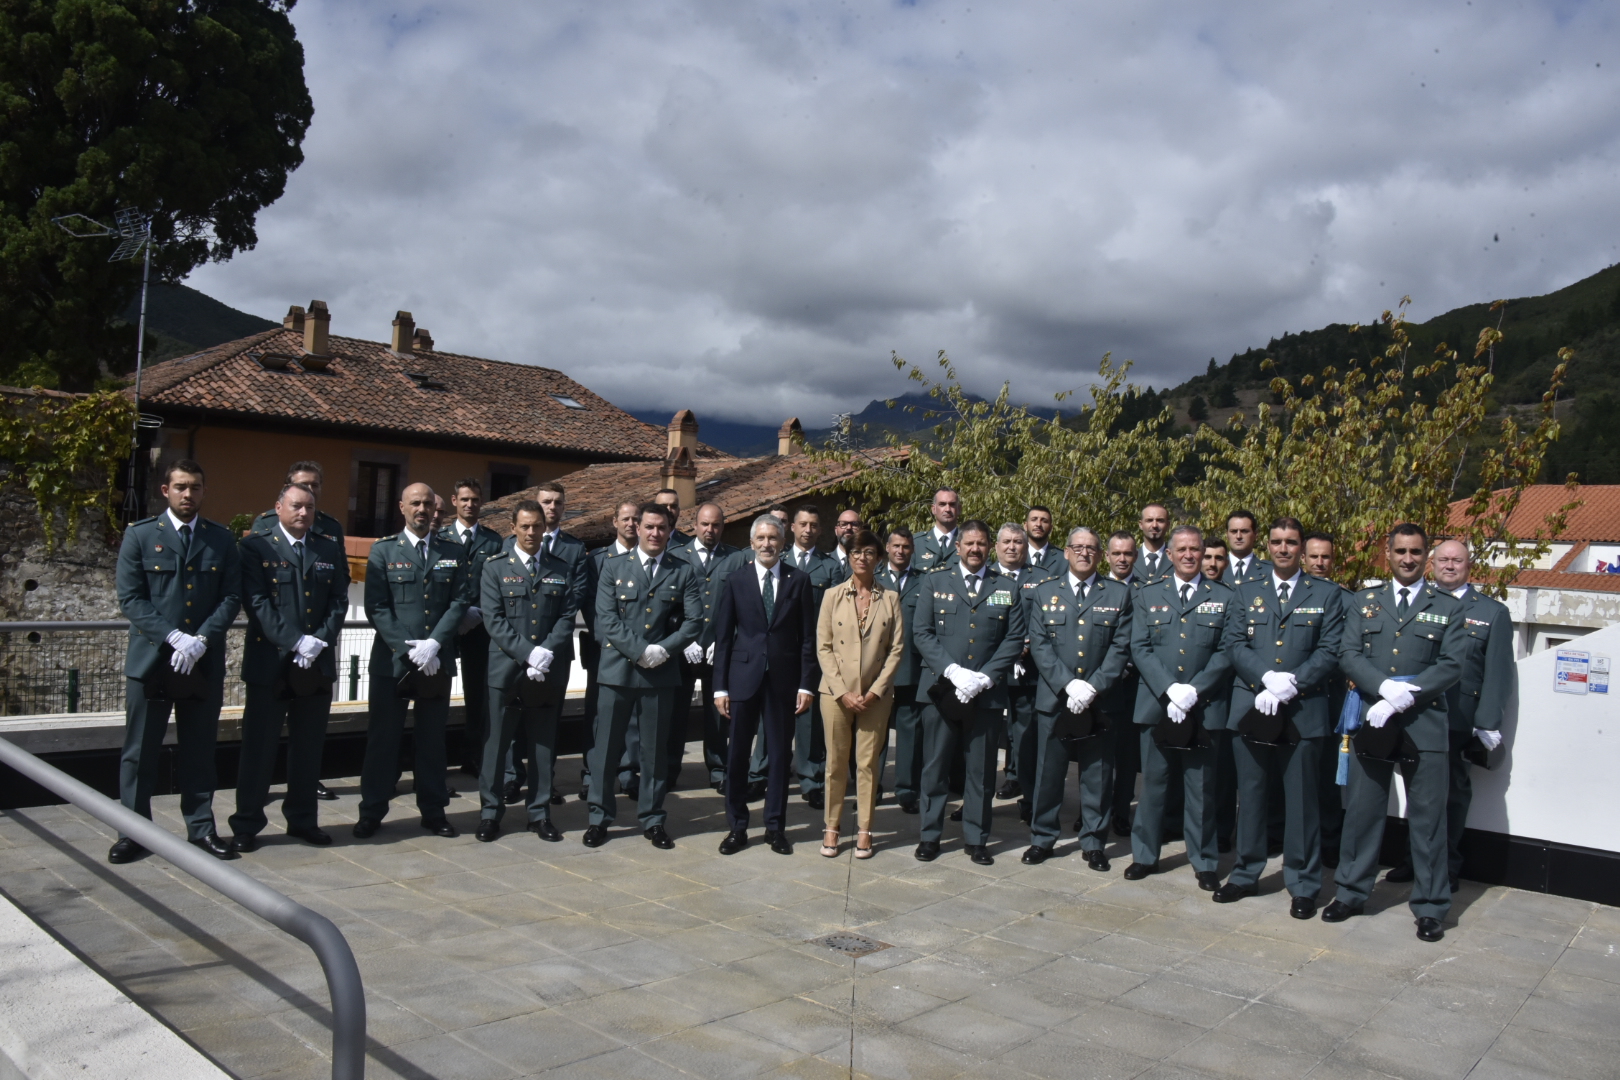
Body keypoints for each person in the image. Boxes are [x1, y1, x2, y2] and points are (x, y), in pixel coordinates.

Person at [1325, 523, 1467, 942]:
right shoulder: (1365, 601)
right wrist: (1382, 689)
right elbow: (1347, 653)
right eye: (1401, 551)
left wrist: (1406, 695)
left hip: (1424, 721)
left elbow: (1453, 663)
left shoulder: (1448, 605)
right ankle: (1350, 892)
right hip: (1374, 717)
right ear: (1387, 554)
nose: (1408, 558)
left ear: (1427, 557)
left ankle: (1430, 906)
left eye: (1416, 552)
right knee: (1364, 812)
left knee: (1427, 819)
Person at [111, 460, 243, 863]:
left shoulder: (221, 539)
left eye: (196, 487)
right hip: (152, 659)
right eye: (182, 487)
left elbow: (230, 597)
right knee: (140, 751)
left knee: (200, 750)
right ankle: (133, 831)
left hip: (201, 661)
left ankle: (201, 829)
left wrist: (201, 640)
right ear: (165, 490)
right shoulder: (140, 536)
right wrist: (172, 637)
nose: (189, 494)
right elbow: (131, 598)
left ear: (204, 492)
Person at [1213, 517, 1346, 918]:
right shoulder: (1246, 592)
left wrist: (1293, 684)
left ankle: (1304, 883)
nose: (1283, 548)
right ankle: (1245, 873)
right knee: (1250, 796)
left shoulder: (1326, 594)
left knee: (1301, 801)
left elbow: (1331, 648)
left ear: (1302, 548)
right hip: (1252, 705)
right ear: (1267, 546)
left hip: (1304, 709)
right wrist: (1266, 678)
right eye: (1276, 542)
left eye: (1291, 542)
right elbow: (1233, 643)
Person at [1383, 539, 1512, 892]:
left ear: (1469, 565)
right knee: (1417, 794)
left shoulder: (1491, 612)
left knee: (1453, 795)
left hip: (1457, 719)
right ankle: (1413, 860)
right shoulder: (1418, 603)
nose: (1449, 566)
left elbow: (1498, 673)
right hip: (1416, 715)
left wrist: (1487, 722)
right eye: (1443, 560)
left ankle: (1448, 865)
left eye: (1457, 561)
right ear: (1432, 563)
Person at [229, 481, 349, 851]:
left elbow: (338, 599)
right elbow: (258, 602)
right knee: (258, 748)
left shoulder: (328, 547)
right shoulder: (255, 547)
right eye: (296, 506)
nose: (303, 513)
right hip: (272, 662)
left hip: (315, 663)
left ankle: (302, 820)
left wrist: (319, 641)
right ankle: (247, 824)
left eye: (309, 508)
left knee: (308, 747)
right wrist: (296, 641)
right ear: (278, 507)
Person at [355, 483, 472, 838]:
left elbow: (460, 601)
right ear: (402, 508)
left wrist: (434, 644)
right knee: (382, 741)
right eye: (415, 504)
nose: (423, 510)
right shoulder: (383, 551)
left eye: (428, 505)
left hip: (436, 661)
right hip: (392, 663)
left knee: (432, 741)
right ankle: (372, 811)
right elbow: (376, 606)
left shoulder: (452, 551)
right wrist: (409, 650)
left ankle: (434, 811)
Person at [586, 503, 703, 849]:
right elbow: (605, 618)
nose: (655, 534)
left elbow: (695, 621)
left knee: (653, 752)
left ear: (670, 531)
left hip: (660, 675)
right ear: (637, 528)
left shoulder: (682, 571)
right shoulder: (612, 567)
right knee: (606, 749)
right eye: (649, 527)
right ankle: (598, 817)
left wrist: (664, 650)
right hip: (617, 672)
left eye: (662, 528)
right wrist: (641, 651)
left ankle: (652, 818)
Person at [912, 520, 1027, 865]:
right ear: (958, 547)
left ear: (988, 548)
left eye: (981, 544)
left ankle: (977, 838)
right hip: (942, 690)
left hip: (986, 695)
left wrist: (985, 678)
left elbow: (1013, 638)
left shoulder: (1006, 586)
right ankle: (930, 836)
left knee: (981, 770)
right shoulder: (934, 581)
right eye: (969, 544)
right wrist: (953, 671)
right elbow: (922, 632)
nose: (975, 549)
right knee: (935, 766)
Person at [1125, 525, 1234, 890]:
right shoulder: (1147, 594)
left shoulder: (1225, 596)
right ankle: (1144, 855)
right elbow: (1139, 647)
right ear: (1168, 555)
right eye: (1182, 549)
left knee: (1200, 788)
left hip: (1204, 707)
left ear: (1204, 554)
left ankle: (1203, 860)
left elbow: (1227, 650)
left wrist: (1194, 690)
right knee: (1154, 785)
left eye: (1195, 549)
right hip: (1157, 704)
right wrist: (1170, 689)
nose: (1189, 555)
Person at [1022, 527, 1134, 869]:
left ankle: (1094, 841)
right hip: (1056, 699)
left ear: (1100, 556)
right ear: (1067, 552)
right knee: (1049, 773)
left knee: (1097, 774)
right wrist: (1068, 685)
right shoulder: (1045, 592)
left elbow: (1120, 647)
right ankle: (1043, 837)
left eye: (1091, 549)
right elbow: (1039, 647)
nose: (1084, 553)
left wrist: (1092, 687)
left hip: (1100, 700)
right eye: (1078, 548)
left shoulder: (1117, 594)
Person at [713, 514, 817, 855]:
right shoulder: (736, 580)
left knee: (777, 757)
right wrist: (720, 688)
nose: (767, 544)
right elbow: (724, 637)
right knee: (738, 755)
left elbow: (807, 638)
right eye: (761, 538)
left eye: (773, 538)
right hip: (743, 679)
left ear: (782, 543)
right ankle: (737, 827)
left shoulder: (798, 580)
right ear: (752, 542)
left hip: (784, 682)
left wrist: (806, 685)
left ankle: (775, 827)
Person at [475, 499, 579, 843]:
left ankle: (539, 813)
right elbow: (493, 618)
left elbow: (567, 617)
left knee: (542, 745)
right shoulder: (494, 567)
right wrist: (528, 654)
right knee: (496, 744)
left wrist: (545, 653)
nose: (532, 532)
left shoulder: (560, 567)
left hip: (548, 668)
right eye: (526, 526)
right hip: (506, 670)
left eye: (537, 526)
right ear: (513, 527)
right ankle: (490, 813)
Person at [816, 528, 904, 857]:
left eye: (868, 552)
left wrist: (877, 690)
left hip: (875, 697)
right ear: (848, 557)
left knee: (867, 764)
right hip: (836, 695)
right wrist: (842, 691)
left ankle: (865, 829)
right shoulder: (832, 596)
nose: (862, 558)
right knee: (836, 763)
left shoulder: (891, 599)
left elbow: (896, 650)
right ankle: (832, 827)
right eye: (855, 552)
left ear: (879, 558)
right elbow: (823, 648)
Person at [577, 500, 641, 800]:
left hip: (637, 651)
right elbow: (591, 606)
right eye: (625, 519)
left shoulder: (648, 558)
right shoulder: (597, 560)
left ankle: (628, 771)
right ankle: (592, 772)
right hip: (604, 650)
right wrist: (612, 639)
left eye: (635, 519)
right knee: (599, 714)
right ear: (614, 522)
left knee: (632, 716)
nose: (631, 524)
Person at [441, 478, 503, 777]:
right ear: (454, 501)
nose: (470, 504)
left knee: (478, 696)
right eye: (464, 499)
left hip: (480, 628)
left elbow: (500, 584)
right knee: (435, 692)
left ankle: (473, 755)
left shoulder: (494, 541)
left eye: (475, 499)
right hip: (444, 628)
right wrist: (456, 614)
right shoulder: (441, 538)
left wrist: (477, 612)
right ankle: (432, 759)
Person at [781, 504, 839, 808]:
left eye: (814, 525)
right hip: (779, 650)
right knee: (772, 717)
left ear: (820, 529)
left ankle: (811, 778)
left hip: (813, 653)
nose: (808, 530)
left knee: (809, 720)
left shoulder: (830, 568)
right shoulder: (777, 561)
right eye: (802, 524)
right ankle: (762, 773)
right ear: (792, 527)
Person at [680, 502, 740, 792]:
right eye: (705, 524)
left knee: (718, 715)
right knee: (675, 713)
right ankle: (668, 769)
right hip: (683, 649)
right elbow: (669, 605)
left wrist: (726, 639)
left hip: (719, 649)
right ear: (694, 524)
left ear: (722, 527)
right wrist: (682, 639)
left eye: (715, 525)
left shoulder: (736, 558)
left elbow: (744, 605)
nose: (710, 530)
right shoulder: (677, 555)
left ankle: (718, 769)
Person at [1302, 532, 1350, 868]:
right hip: (1290, 694)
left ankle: (1330, 843)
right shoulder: (1288, 595)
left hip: (1330, 695)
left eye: (1326, 557)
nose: (1320, 563)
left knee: (1326, 775)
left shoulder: (1347, 600)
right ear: (1303, 558)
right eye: (1314, 557)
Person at [991, 523, 1045, 806]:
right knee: (987, 734)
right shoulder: (983, 577)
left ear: (1026, 547)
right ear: (997, 547)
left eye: (1018, 542)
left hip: (1028, 668)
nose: (1012, 547)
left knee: (1024, 733)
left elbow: (1047, 621)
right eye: (1007, 542)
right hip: (991, 670)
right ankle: (976, 797)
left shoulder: (1044, 579)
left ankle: (1025, 791)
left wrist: (1026, 646)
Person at [878, 527, 927, 815]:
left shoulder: (925, 582)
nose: (900, 551)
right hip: (877, 670)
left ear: (912, 550)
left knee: (910, 733)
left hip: (911, 668)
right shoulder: (873, 579)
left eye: (906, 547)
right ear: (887, 547)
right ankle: (870, 789)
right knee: (875, 733)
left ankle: (907, 791)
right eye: (896, 546)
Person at [1100, 530, 1143, 835]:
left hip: (1131, 685)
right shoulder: (1096, 588)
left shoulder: (1147, 591)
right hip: (1099, 686)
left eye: (1128, 554)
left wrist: (1125, 665)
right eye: (1117, 553)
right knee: (1097, 755)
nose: (1122, 559)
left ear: (1135, 557)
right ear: (1107, 556)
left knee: (1126, 756)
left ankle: (1121, 813)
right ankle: (1094, 812)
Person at [249, 460, 344, 544]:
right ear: (287, 488)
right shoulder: (266, 522)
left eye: (315, 485)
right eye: (303, 485)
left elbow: (340, 564)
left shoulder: (332, 526)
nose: (310, 490)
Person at [912, 488, 962, 572]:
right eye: (942, 504)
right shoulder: (916, 543)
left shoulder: (969, 542)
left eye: (952, 504)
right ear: (933, 509)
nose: (947, 509)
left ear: (959, 509)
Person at [1223, 510, 1271, 584]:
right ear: (1227, 534)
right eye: (1234, 531)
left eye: (1244, 531)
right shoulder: (1215, 569)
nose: (1238, 536)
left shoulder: (1270, 571)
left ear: (1255, 535)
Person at [1134, 503, 1171, 584]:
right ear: (1141, 524)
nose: (1154, 525)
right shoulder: (1130, 559)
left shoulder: (1177, 560)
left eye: (1160, 520)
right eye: (1149, 520)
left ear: (1168, 525)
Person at [1024, 506, 1062, 576]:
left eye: (1044, 521)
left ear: (1051, 528)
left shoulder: (1063, 559)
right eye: (1034, 519)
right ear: (1025, 526)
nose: (1038, 524)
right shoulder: (1015, 555)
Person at [831, 509, 862, 580]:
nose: (849, 527)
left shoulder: (871, 563)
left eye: (854, 524)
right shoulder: (823, 561)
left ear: (861, 530)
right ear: (836, 530)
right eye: (844, 524)